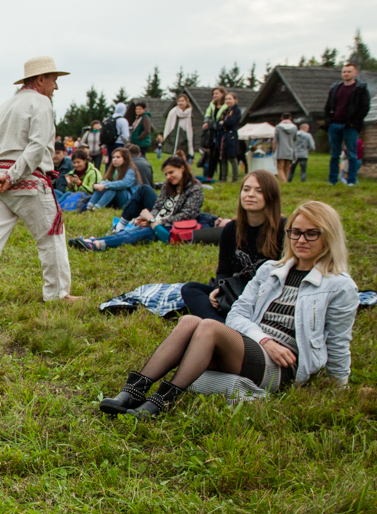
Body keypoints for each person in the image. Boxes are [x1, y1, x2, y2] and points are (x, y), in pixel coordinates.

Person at [100, 201, 357, 419]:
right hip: (256, 345)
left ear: (329, 236)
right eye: (295, 232)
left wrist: (338, 388)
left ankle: (160, 401)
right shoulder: (271, 270)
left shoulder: (339, 286)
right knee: (189, 321)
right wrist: (265, 340)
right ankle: (132, 391)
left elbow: (338, 342)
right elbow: (236, 314)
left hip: (284, 364)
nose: (301, 240)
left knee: (209, 327)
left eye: (312, 233)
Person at [0, 57, 77, 311]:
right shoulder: (41, 102)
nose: (56, 87)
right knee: (51, 236)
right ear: (40, 79)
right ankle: (58, 293)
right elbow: (37, 146)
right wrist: (10, 177)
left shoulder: (2, 107)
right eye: (54, 80)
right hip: (27, 185)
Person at [181, 170, 285, 321]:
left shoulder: (283, 229)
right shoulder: (231, 229)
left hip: (266, 296)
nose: (250, 194)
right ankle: (222, 326)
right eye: (246, 189)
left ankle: (220, 327)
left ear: (271, 196)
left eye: (259, 191)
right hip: (236, 292)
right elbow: (224, 271)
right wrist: (218, 288)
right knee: (190, 289)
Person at [70, 156, 204, 251]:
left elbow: (187, 215)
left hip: (172, 226)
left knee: (139, 233)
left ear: (182, 169)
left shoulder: (195, 188)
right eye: (166, 174)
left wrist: (154, 220)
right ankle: (95, 240)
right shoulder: (168, 185)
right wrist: (151, 219)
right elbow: (158, 205)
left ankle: (99, 244)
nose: (168, 176)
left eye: (171, 172)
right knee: (138, 228)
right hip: (158, 220)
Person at [324, 62, 371, 186]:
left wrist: (354, 122)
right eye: (344, 71)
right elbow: (328, 106)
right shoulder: (335, 88)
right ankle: (332, 180)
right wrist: (329, 121)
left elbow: (364, 107)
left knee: (352, 155)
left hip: (350, 126)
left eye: (349, 71)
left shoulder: (360, 89)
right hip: (335, 125)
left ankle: (351, 180)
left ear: (355, 73)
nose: (346, 74)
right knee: (334, 155)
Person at [87, 148, 148, 213]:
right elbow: (107, 182)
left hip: (129, 201)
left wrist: (105, 186)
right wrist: (99, 185)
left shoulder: (131, 170)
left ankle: (97, 208)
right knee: (106, 184)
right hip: (116, 199)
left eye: (118, 157)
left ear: (125, 159)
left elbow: (124, 183)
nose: (115, 160)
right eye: (113, 157)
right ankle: (89, 206)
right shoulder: (114, 169)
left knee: (113, 187)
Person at [200, 87, 228, 182]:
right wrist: (206, 122)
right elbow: (207, 115)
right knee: (211, 155)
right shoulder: (211, 105)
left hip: (221, 132)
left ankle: (222, 176)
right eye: (213, 94)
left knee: (221, 155)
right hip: (212, 133)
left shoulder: (226, 106)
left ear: (222, 94)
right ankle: (209, 176)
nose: (214, 96)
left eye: (216, 93)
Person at [218, 92, 243, 182]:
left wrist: (223, 123)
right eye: (226, 99)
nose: (227, 101)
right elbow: (220, 121)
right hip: (225, 135)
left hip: (232, 135)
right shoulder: (226, 111)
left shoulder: (236, 110)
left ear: (235, 100)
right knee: (223, 157)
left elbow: (231, 122)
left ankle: (235, 178)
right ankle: (223, 178)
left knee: (232, 157)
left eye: (230, 99)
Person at [272, 113, 298, 182]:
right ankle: (285, 181)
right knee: (286, 168)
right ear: (290, 118)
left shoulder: (278, 127)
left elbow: (275, 139)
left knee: (280, 168)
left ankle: (283, 181)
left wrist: (273, 149)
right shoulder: (294, 127)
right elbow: (295, 138)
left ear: (282, 118)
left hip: (281, 150)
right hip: (290, 149)